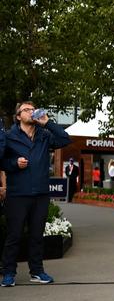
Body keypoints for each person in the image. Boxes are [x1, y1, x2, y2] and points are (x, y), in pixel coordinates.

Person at [1, 101, 71, 287]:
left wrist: (47, 122)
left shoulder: (44, 135)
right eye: (26, 110)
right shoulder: (9, 136)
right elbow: (2, 163)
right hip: (18, 194)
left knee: (37, 235)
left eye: (33, 109)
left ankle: (37, 271)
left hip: (40, 194)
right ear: (18, 116)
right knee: (14, 235)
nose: (31, 112)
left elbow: (65, 139)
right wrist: (14, 164)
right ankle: (8, 273)